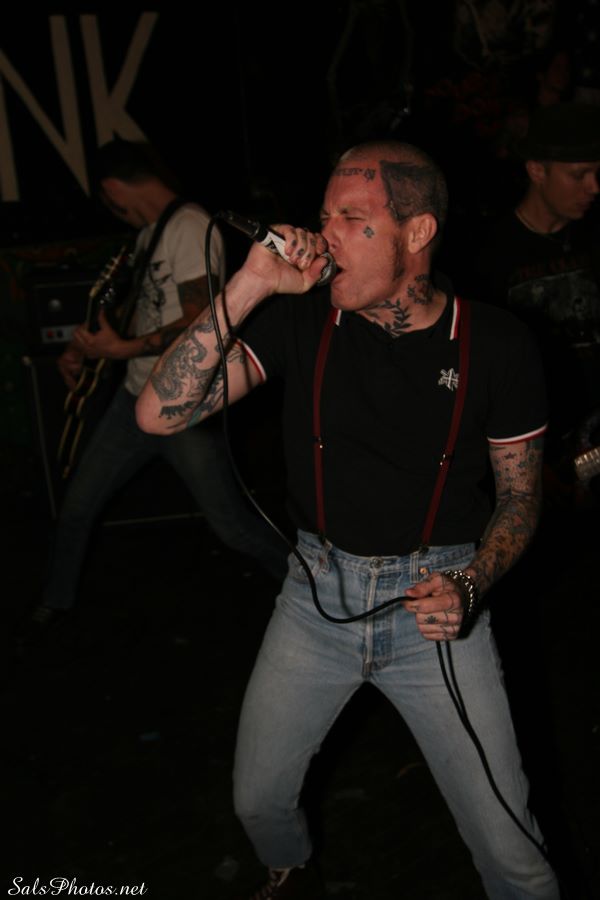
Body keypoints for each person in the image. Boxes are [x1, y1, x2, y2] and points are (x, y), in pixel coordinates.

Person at [136, 140, 559, 899]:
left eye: (351, 218)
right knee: (258, 800)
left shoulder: (496, 344)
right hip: (315, 597)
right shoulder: (304, 318)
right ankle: (291, 872)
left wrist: (470, 582)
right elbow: (158, 414)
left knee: (510, 848)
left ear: (417, 232)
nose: (323, 234)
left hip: (434, 608)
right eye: (323, 214)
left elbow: (521, 497)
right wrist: (252, 283)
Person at [25, 139, 287, 631]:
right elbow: (142, 314)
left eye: (109, 201)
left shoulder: (189, 226)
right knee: (77, 505)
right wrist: (88, 347)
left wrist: (122, 350)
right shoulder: (151, 234)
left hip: (182, 409)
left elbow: (196, 321)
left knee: (232, 528)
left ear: (111, 188)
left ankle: (306, 591)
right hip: (132, 399)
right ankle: (54, 602)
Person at [474, 102, 600, 495]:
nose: (593, 187)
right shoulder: (489, 255)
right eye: (578, 175)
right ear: (536, 170)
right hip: (542, 452)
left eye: (596, 173)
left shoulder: (593, 235)